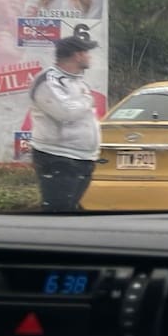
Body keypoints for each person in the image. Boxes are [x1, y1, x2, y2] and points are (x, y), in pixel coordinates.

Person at [28, 36, 101, 212]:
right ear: (77, 55)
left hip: (83, 157)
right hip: (58, 157)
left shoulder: (77, 80)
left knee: (70, 209)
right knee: (58, 210)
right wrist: (87, 100)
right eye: (87, 52)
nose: (90, 57)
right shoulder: (48, 80)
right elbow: (65, 112)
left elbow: (79, 111)